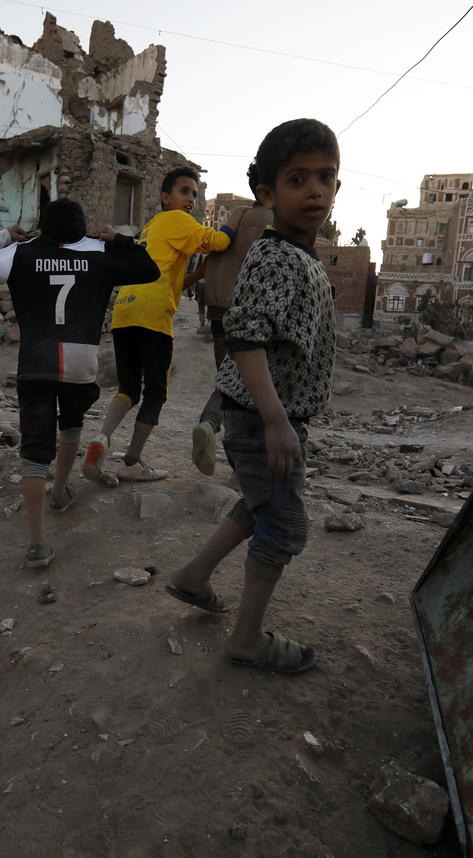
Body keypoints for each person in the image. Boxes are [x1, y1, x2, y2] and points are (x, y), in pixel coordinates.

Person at [163, 119, 340, 674]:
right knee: (285, 527)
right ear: (267, 193)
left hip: (263, 416)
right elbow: (244, 336)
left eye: (326, 178)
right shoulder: (277, 257)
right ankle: (245, 638)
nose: (315, 190)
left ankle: (194, 576)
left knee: (260, 503)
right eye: (297, 179)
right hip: (263, 419)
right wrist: (276, 420)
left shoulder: (299, 255)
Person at [0, 199, 159, 568]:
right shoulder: (100, 251)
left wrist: (4, 235)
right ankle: (60, 492)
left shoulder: (21, 252)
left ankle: (37, 544)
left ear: (44, 226)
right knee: (71, 424)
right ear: (82, 225)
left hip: (36, 360)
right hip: (81, 361)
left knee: (35, 452)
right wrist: (118, 239)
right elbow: (150, 270)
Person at [82, 167, 233, 484]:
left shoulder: (151, 228)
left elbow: (176, 283)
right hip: (153, 316)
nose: (190, 199)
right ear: (166, 197)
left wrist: (201, 271)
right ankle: (132, 462)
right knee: (155, 392)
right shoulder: (178, 220)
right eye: (184, 191)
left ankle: (102, 440)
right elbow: (217, 241)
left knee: (128, 388)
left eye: (193, 193)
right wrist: (236, 223)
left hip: (125, 311)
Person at [190, 164, 274, 475]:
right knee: (255, 391)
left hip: (217, 311)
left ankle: (209, 426)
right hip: (252, 315)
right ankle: (242, 469)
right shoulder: (277, 222)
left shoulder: (236, 215)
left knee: (229, 380)